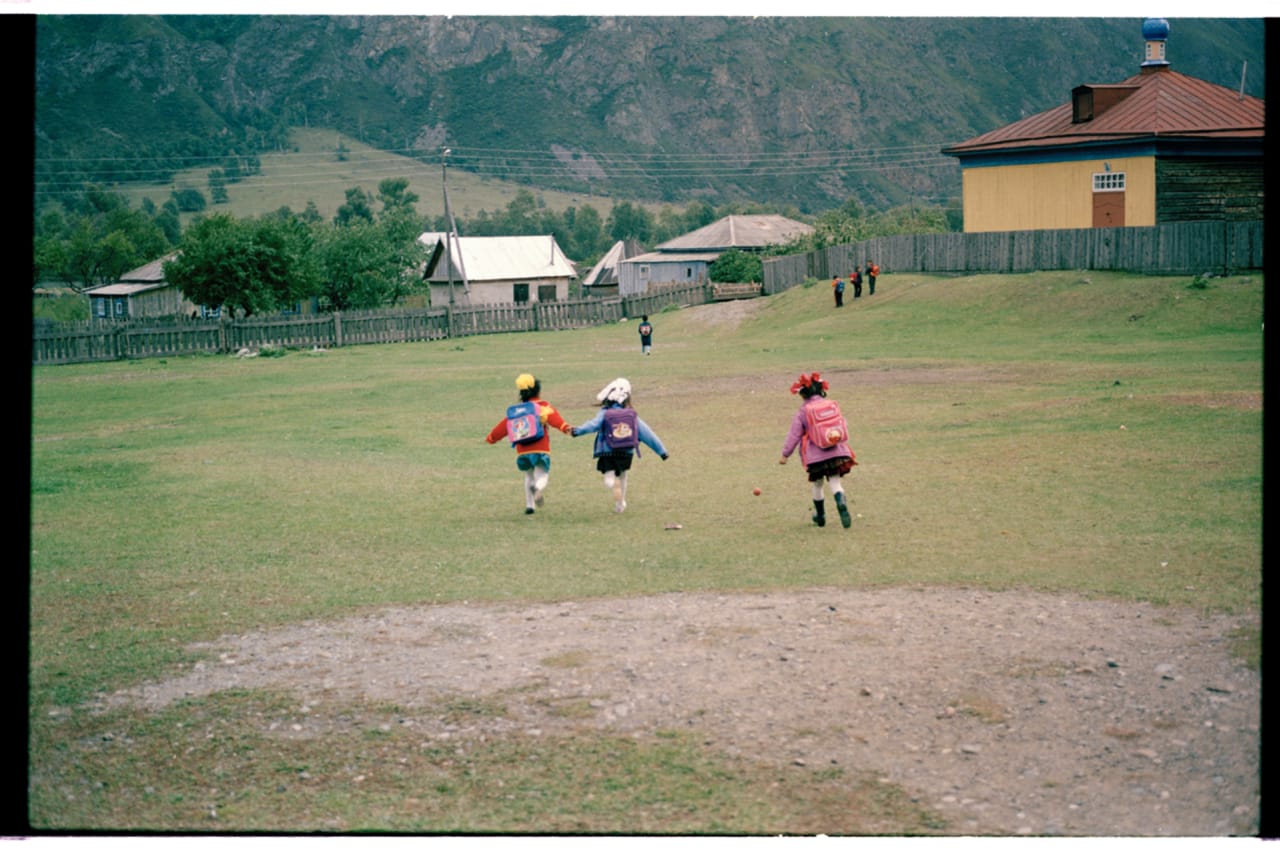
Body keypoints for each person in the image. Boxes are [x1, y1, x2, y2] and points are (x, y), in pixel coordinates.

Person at [571, 377, 669, 514]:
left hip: (607, 451)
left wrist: (577, 431)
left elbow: (593, 425)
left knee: (609, 477)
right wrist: (661, 451)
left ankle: (611, 481)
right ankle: (620, 503)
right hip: (625, 452)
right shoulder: (632, 415)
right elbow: (647, 433)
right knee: (623, 475)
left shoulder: (605, 413)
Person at [485, 373, 574, 515]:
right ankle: (537, 487)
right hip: (541, 448)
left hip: (523, 450)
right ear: (538, 391)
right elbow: (555, 418)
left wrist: (491, 438)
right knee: (542, 474)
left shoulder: (517, 410)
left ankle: (530, 505)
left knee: (528, 476)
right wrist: (565, 427)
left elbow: (504, 426)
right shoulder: (542, 406)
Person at [779, 371, 857, 529]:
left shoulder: (803, 411)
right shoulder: (830, 406)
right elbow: (842, 425)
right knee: (835, 481)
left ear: (803, 394)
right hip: (836, 451)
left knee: (818, 484)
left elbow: (794, 434)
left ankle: (820, 516)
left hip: (816, 457)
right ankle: (841, 502)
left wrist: (785, 454)